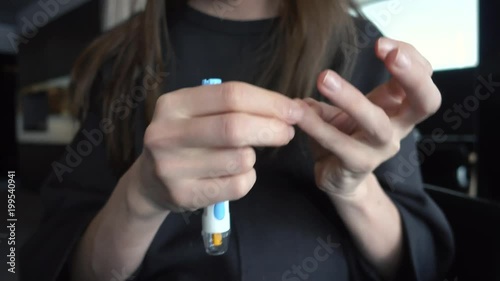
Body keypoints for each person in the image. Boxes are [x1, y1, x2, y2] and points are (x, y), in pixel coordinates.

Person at [21, 0, 454, 280]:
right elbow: (62, 263)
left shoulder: (361, 46)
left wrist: (355, 188)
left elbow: (420, 265)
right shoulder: (122, 57)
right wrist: (141, 198)